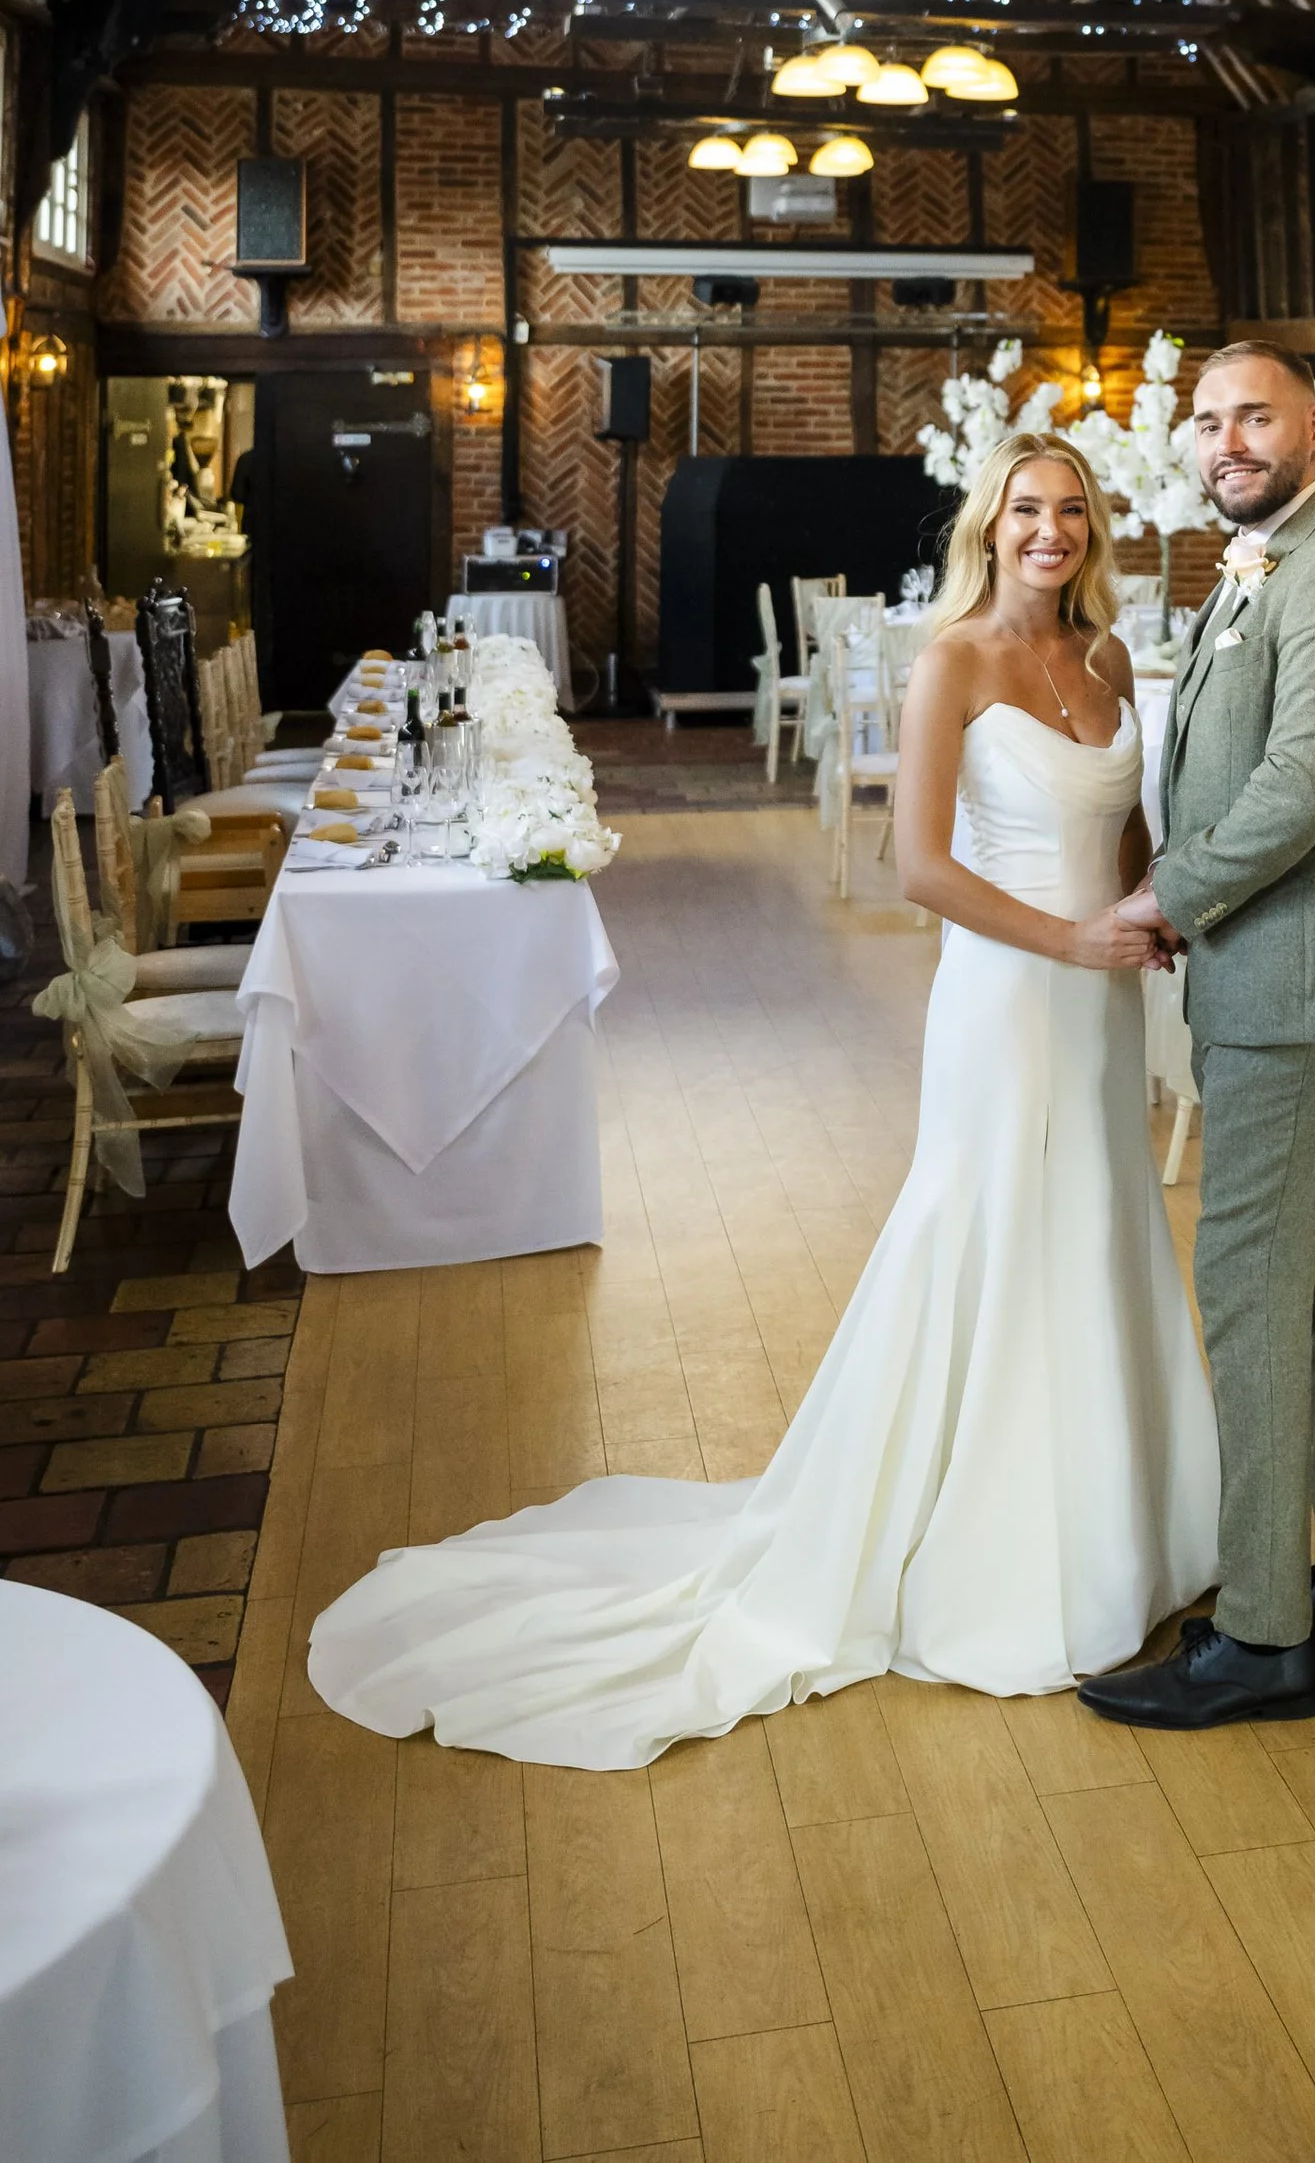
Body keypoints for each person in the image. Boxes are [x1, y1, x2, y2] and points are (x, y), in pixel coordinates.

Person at [304, 434, 1218, 1768]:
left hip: (1103, 997)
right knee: (996, 1233)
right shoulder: (952, 659)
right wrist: (1072, 939)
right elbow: (916, 866)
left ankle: (1127, 1537)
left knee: (1099, 1230)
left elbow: (1121, 836)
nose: (1050, 529)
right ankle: (1003, 1555)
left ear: (1095, 526)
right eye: (1027, 507)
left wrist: (1144, 915)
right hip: (1010, 1000)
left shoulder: (1112, 658)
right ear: (989, 522)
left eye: (1071, 509)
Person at [1077, 342, 1315, 1733]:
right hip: (1259, 970)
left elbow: (1300, 786)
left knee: (1247, 1287)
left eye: (1255, 414)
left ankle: (1268, 1632)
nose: (1227, 439)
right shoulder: (1267, 554)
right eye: (1209, 419)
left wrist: (1168, 891)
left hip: (1292, 981)